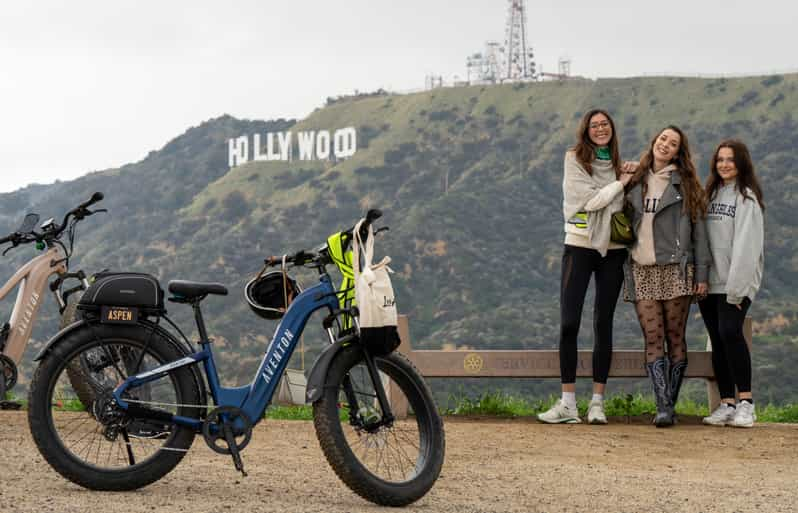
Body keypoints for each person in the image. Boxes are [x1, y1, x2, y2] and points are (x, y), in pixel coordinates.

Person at [537, 109, 634, 425]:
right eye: (595, 125)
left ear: (612, 128)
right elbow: (589, 202)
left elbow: (616, 201)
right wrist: (620, 184)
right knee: (569, 323)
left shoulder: (621, 164)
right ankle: (568, 402)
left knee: (603, 322)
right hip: (579, 244)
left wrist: (623, 181)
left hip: (614, 249)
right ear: (586, 131)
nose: (601, 128)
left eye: (606, 123)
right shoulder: (574, 159)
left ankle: (597, 402)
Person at [623, 125, 709, 427]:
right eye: (662, 139)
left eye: (672, 144)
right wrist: (623, 179)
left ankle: (666, 406)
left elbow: (700, 233)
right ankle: (664, 405)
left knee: (675, 337)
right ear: (654, 141)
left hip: (676, 269)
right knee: (652, 338)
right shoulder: (635, 181)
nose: (665, 145)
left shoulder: (686, 184)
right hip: (641, 269)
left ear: (678, 152)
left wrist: (702, 273)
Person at [699, 140, 764, 428]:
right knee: (717, 339)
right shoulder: (710, 195)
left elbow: (747, 247)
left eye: (731, 159)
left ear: (741, 163)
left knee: (730, 333)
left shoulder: (746, 198)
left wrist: (737, 289)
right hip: (709, 283)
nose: (724, 164)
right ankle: (726, 403)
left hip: (734, 283)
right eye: (720, 159)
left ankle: (746, 403)